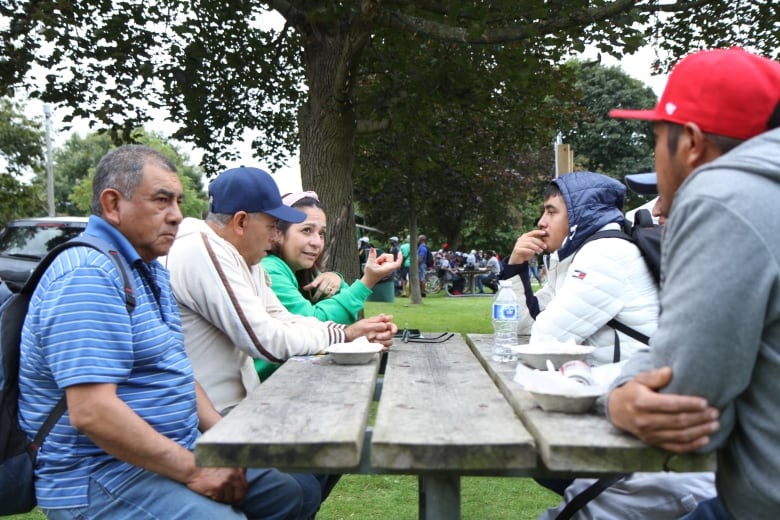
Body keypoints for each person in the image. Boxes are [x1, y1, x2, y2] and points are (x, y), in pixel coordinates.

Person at [17, 145, 312, 519]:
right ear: (112, 205)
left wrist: (228, 443)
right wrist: (194, 470)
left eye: (178, 202)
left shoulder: (148, 270)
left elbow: (180, 372)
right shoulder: (87, 274)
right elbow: (92, 412)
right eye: (161, 201)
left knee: (285, 494)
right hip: (101, 475)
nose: (177, 216)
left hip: (174, 449)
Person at [606, 47, 780, 519]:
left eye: (655, 137)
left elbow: (686, 409)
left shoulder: (722, 197)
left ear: (690, 143)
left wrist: (618, 396)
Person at [502, 171, 714, 518]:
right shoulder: (578, 253)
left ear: (579, 211)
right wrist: (515, 268)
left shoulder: (606, 253)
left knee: (535, 452)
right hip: (614, 407)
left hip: (636, 425)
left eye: (551, 211)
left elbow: (543, 340)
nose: (541, 222)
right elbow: (525, 325)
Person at [257, 191, 402, 377]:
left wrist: (338, 279)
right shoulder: (270, 268)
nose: (317, 242)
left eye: (322, 233)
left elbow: (340, 309)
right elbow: (313, 322)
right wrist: (368, 281)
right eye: (306, 230)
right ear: (277, 233)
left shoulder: (300, 271)